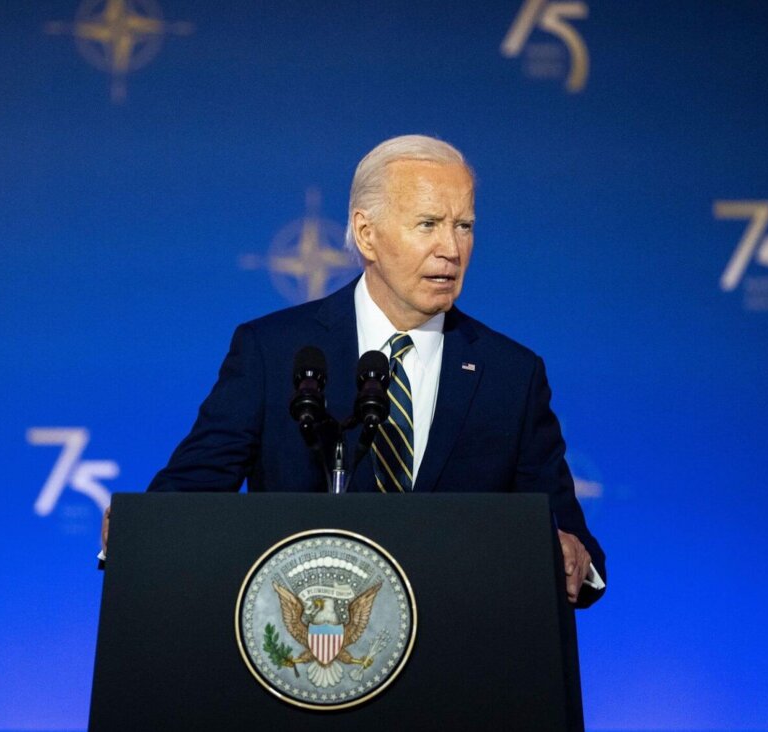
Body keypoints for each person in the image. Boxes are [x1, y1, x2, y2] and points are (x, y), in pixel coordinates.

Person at [104, 135, 605, 607]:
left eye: (464, 226)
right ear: (367, 234)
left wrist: (572, 556)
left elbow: (568, 536)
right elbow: (189, 494)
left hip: (459, 664)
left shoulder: (510, 374)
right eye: (428, 224)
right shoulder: (273, 351)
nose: (451, 249)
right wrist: (139, 530)